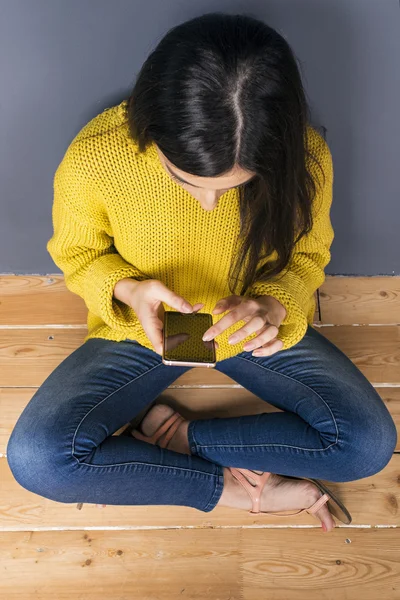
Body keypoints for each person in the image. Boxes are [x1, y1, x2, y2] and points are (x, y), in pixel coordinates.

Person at [7, 13, 396, 534]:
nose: (210, 205)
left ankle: (176, 437)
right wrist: (127, 289)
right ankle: (235, 489)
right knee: (36, 459)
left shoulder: (306, 159)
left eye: (235, 185)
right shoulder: (96, 158)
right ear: (153, 125)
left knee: (366, 447)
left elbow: (309, 254)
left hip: (249, 331)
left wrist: (275, 302)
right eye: (186, 179)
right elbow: (75, 253)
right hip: (146, 332)